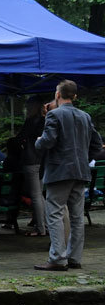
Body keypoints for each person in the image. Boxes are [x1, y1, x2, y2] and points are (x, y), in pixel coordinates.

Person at [34, 80, 102, 271]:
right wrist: (82, 157)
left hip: (59, 171)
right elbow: (97, 144)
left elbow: (48, 142)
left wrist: (38, 141)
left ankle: (57, 258)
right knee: (77, 216)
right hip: (81, 171)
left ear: (57, 95)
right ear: (75, 96)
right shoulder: (85, 116)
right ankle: (74, 257)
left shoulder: (54, 115)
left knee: (54, 213)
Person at [17, 96, 46, 237]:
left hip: (31, 159)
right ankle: (42, 223)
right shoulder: (44, 121)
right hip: (41, 160)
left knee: (36, 195)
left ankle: (41, 227)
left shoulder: (31, 122)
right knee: (39, 194)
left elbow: (20, 137)